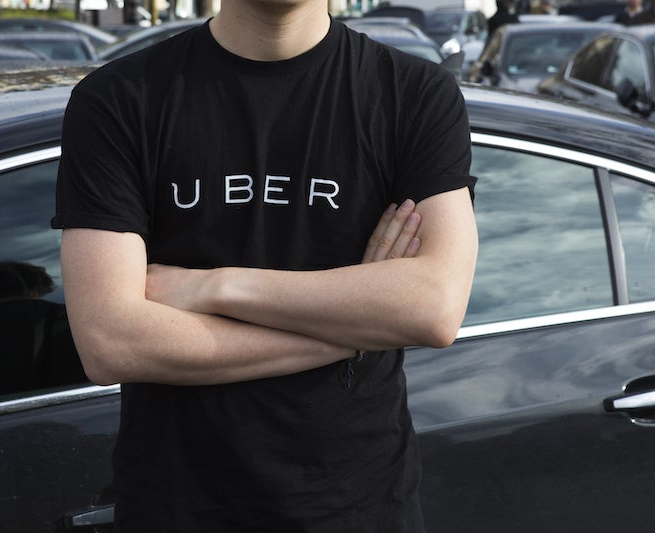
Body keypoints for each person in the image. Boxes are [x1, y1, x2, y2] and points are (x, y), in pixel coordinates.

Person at [50, 0, 479, 530]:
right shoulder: (119, 98)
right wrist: (356, 332)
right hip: (179, 510)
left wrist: (214, 287)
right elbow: (111, 342)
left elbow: (433, 307)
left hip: (360, 509)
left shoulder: (414, 94)